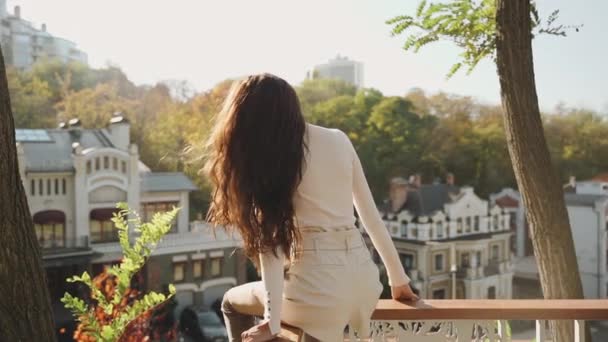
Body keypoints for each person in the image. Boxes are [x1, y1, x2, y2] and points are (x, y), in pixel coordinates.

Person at [203, 74, 418, 342]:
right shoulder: (339, 139)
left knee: (230, 303)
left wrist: (272, 321)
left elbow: (272, 250)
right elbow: (371, 219)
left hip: (317, 291)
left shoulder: (268, 160)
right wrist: (398, 280)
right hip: (365, 284)